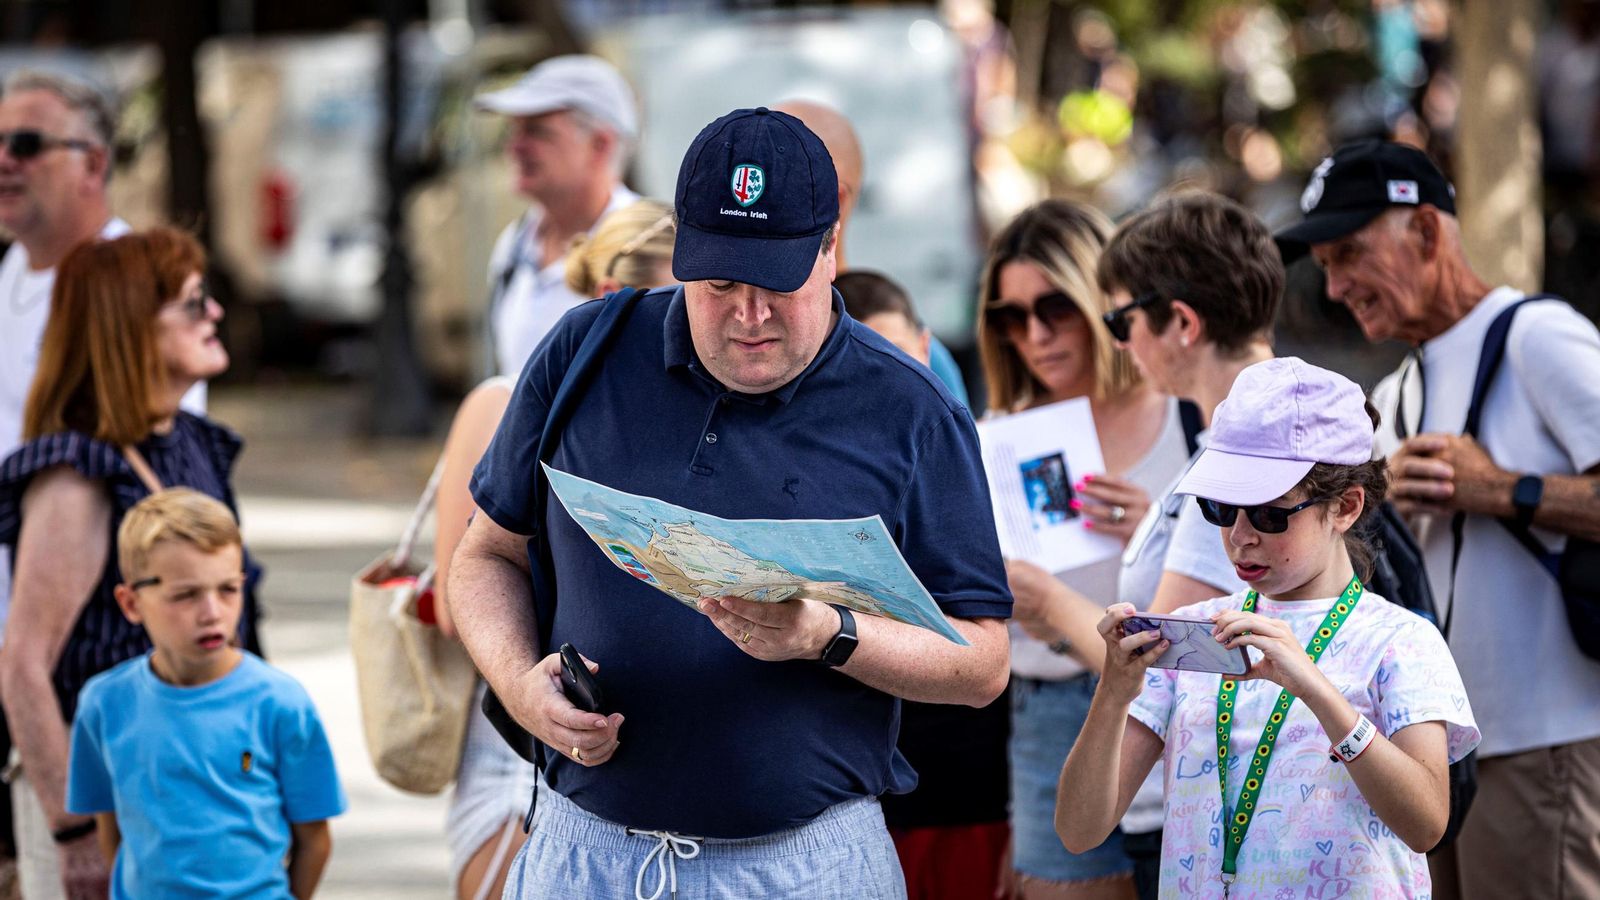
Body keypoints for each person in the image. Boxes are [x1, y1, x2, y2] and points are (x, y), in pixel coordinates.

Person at [449, 106, 1010, 898]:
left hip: (806, 866)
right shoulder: (585, 352)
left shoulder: (912, 409)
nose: (749, 315)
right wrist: (517, 684)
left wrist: (827, 633)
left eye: (776, 284)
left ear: (830, 247)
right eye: (719, 284)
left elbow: (983, 662)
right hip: (585, 852)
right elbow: (486, 555)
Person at [1279, 139, 1600, 899]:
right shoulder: (1399, 385)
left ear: (1425, 231)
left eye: (1349, 253)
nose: (1335, 286)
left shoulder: (1537, 337)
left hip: (1544, 745)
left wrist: (1501, 489)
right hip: (1435, 757)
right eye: (1323, 264)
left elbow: (1491, 496)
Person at [1057, 357, 1480, 897]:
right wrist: (1113, 694)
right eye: (1220, 508)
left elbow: (1426, 825)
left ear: (1345, 507)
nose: (1239, 537)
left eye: (1269, 514)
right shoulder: (1190, 634)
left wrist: (1315, 689)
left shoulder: (1401, 639)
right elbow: (1078, 830)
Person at [0, 227, 259, 899]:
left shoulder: (191, 442)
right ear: (133, 329)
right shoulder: (77, 473)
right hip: (106, 793)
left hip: (197, 776)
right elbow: (23, 663)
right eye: (195, 303)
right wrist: (72, 831)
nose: (216, 314)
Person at [432, 200, 676, 900]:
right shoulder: (502, 402)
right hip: (526, 733)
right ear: (611, 298)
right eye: (670, 305)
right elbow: (465, 581)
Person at [976, 199, 1190, 900]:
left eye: (1056, 308)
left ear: (1104, 300)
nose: (1035, 335)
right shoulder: (997, 436)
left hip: (1188, 712)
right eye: (1011, 317)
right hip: (1052, 714)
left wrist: (1159, 527)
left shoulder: (1186, 412)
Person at [0, 70, 205, 638]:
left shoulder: (134, 284)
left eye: (25, 144)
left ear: (92, 164)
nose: (4, 160)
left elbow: (161, 452)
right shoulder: (15, 267)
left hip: (87, 629)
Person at [65, 488, 344, 898]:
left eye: (228, 590)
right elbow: (112, 829)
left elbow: (314, 839)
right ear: (131, 603)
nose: (212, 612)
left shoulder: (281, 704)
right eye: (186, 594)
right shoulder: (104, 705)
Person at [836, 269, 1008, 900]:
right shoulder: (819, 461)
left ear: (927, 343)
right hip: (860, 790)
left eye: (901, 352)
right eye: (866, 355)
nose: (889, 375)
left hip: (968, 784)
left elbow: (992, 659)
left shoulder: (960, 441)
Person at [773, 99, 971, 406]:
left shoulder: (911, 353)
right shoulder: (740, 333)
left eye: (774, 182)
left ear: (833, 201)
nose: (748, 202)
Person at [476, 54, 641, 377]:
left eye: (537, 132)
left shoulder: (650, 250)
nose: (515, 147)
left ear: (600, 144)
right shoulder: (514, 244)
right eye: (514, 131)